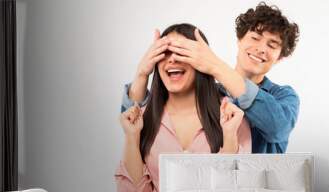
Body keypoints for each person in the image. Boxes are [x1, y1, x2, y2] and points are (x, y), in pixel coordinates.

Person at [122, 2, 300, 153]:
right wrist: (141, 74)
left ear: (281, 57)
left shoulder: (284, 96)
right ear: (239, 39)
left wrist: (214, 65)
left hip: (262, 191)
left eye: (272, 45)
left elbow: (277, 127)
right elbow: (134, 123)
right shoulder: (209, 93)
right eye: (255, 37)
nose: (261, 48)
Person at [115, 23, 251, 192]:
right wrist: (132, 137)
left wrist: (229, 136)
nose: (172, 59)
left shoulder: (231, 116)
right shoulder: (141, 118)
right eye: (165, 52)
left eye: (181, 52)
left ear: (201, 61)